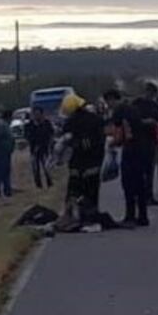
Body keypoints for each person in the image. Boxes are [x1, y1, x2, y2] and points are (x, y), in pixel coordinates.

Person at [104, 89, 150, 227]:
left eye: (108, 102)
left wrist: (110, 144)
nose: (108, 105)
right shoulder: (133, 109)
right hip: (142, 148)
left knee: (128, 184)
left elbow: (119, 135)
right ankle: (143, 216)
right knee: (140, 184)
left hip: (130, 149)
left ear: (112, 99)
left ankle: (130, 216)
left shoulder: (119, 112)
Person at [59, 94, 106, 226]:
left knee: (73, 191)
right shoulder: (96, 120)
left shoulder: (70, 123)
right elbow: (101, 141)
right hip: (94, 163)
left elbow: (65, 144)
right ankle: (91, 217)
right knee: (91, 192)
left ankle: (71, 217)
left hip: (76, 164)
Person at [131, 82, 158, 207]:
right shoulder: (137, 104)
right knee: (140, 170)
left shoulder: (155, 106)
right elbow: (133, 120)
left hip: (152, 141)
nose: (150, 94)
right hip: (139, 140)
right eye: (149, 92)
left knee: (150, 170)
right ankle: (139, 195)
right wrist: (145, 122)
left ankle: (148, 196)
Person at [25, 107, 54, 189]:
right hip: (34, 149)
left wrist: (50, 144)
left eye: (38, 114)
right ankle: (38, 185)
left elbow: (51, 133)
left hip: (44, 148)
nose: (37, 116)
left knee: (46, 167)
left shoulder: (46, 123)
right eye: (35, 114)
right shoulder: (30, 125)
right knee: (35, 168)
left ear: (42, 114)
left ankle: (49, 182)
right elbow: (27, 136)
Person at [0, 110, 16, 199]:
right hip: (0, 153)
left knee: (5, 172)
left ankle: (7, 190)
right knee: (0, 173)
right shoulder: (2, 126)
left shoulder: (6, 126)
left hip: (5, 152)